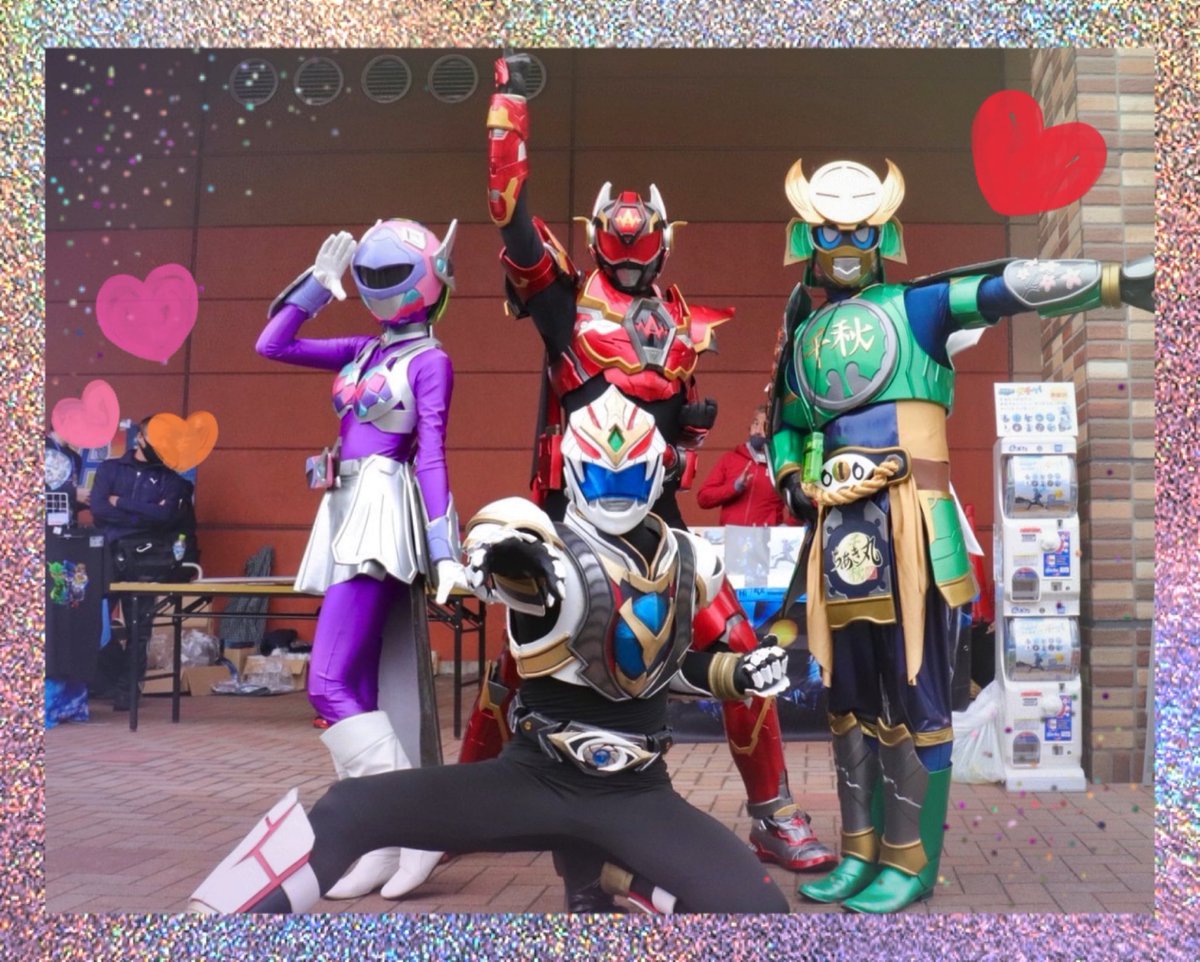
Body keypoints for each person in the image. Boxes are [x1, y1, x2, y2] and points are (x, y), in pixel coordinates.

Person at [448, 53, 833, 911]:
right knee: (516, 669)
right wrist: (508, 109)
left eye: (640, 242)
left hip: (658, 525)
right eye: (617, 243)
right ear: (597, 237)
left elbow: (677, 424)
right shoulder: (564, 304)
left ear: (662, 238)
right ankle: (456, 815)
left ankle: (771, 812)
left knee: (741, 648)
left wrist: (690, 434)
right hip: (567, 524)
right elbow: (509, 215)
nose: (628, 257)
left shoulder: (683, 320)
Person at [188, 388, 792, 916]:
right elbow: (497, 555)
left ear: (659, 472)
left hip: (636, 791)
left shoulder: (692, 562)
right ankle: (203, 928)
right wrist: (504, 563)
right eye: (602, 475)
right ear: (573, 472)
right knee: (351, 809)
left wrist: (738, 673)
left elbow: (663, 669)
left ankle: (613, 871)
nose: (616, 491)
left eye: (630, 475)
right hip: (534, 780)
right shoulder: (544, 550)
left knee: (760, 915)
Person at [768, 157, 1154, 913]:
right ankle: (860, 850)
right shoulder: (805, 331)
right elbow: (787, 422)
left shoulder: (918, 308)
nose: (844, 244)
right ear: (805, 237)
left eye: (860, 230)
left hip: (915, 526)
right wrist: (790, 475)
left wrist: (1113, 282)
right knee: (848, 699)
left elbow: (1004, 287)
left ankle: (909, 862)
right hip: (837, 535)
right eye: (830, 231)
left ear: (885, 235)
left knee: (916, 697)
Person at [255, 219, 466, 901]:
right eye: (368, 277)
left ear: (432, 280)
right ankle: (381, 840)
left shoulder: (430, 361)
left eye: (389, 275)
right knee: (359, 686)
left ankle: (419, 828)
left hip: (380, 513)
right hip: (345, 508)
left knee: (326, 683)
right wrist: (317, 286)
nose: (376, 287)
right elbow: (272, 344)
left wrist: (446, 549)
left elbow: (431, 455)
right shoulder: (363, 347)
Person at [88, 417, 196, 710]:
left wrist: (121, 503)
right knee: (94, 623)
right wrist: (145, 512)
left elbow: (165, 516)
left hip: (147, 558)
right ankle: (107, 679)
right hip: (107, 554)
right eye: (154, 438)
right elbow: (98, 509)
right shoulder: (110, 468)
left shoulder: (171, 479)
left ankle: (128, 689)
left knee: (139, 628)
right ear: (139, 438)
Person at [696, 407, 788, 527]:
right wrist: (734, 488)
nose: (758, 431)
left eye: (765, 425)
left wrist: (787, 527)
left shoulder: (782, 464)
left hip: (765, 537)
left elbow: (804, 502)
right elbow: (703, 499)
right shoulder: (730, 459)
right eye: (756, 423)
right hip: (731, 536)